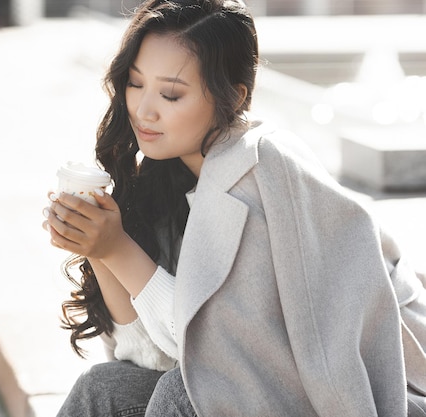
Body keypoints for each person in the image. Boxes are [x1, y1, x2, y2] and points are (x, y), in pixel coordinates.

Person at [42, 0, 426, 415]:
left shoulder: (259, 172)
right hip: (272, 391)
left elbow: (215, 358)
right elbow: (152, 358)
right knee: (105, 387)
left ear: (232, 96)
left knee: (185, 397)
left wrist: (118, 249)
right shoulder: (172, 172)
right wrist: (100, 249)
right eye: (136, 84)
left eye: (171, 94)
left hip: (365, 395)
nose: (144, 110)